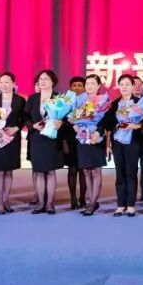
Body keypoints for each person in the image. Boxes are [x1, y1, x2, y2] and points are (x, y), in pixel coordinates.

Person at [104, 74, 143, 217]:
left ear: (133, 86)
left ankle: (131, 205)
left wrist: (136, 125)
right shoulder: (114, 104)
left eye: (128, 84)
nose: (125, 87)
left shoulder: (140, 103)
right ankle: (121, 204)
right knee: (120, 173)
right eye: (122, 84)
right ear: (119, 86)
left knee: (131, 172)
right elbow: (109, 126)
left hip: (133, 141)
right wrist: (108, 144)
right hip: (117, 142)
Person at [0, 72, 26, 215]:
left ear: (13, 84)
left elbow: (24, 118)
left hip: (11, 138)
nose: (3, 85)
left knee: (9, 171)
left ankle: (6, 199)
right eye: (1, 82)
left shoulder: (20, 100)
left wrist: (16, 128)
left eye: (7, 82)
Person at [26, 70, 65, 214]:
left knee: (50, 171)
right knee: (39, 172)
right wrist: (32, 125)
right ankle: (40, 203)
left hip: (52, 138)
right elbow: (25, 117)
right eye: (40, 79)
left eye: (46, 79)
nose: (42, 81)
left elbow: (66, 117)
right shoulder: (33, 98)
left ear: (52, 82)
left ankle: (50, 204)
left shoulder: (59, 98)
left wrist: (61, 123)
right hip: (37, 138)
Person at [76, 74, 109, 216]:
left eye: (92, 83)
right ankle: (92, 201)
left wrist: (98, 132)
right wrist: (75, 126)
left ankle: (92, 203)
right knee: (86, 171)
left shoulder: (103, 100)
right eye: (87, 83)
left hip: (96, 138)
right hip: (82, 137)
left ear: (98, 86)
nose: (89, 86)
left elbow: (105, 121)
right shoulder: (79, 100)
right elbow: (73, 117)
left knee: (96, 170)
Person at [63, 75, 87, 210]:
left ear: (84, 87)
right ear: (70, 87)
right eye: (74, 85)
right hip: (70, 138)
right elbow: (61, 119)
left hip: (84, 137)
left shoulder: (90, 100)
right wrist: (64, 141)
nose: (76, 88)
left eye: (79, 85)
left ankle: (83, 198)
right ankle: (73, 198)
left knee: (83, 170)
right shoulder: (65, 100)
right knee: (72, 170)